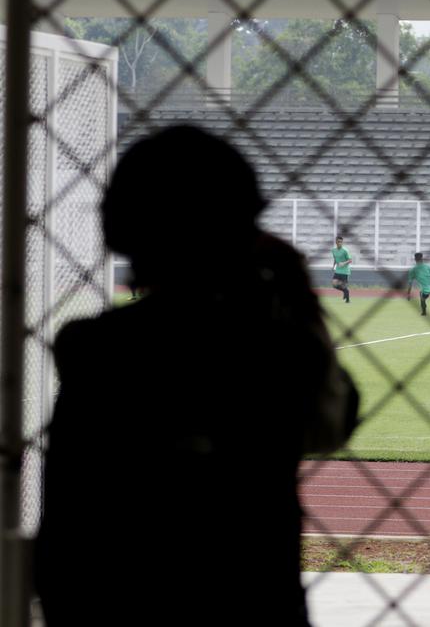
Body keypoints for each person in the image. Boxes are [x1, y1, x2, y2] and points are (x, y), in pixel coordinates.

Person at [35, 125, 359, 626]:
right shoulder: (269, 351)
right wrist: (296, 295)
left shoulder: (92, 348)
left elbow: (65, 548)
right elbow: (331, 423)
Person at [331, 235, 353, 302]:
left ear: (342, 242)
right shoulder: (333, 250)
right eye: (338, 242)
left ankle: (348, 300)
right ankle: (345, 291)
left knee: (343, 286)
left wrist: (343, 263)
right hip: (337, 270)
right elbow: (335, 259)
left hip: (345, 271)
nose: (340, 243)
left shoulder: (345, 250)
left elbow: (350, 260)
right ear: (336, 242)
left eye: (341, 242)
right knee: (334, 284)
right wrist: (333, 266)